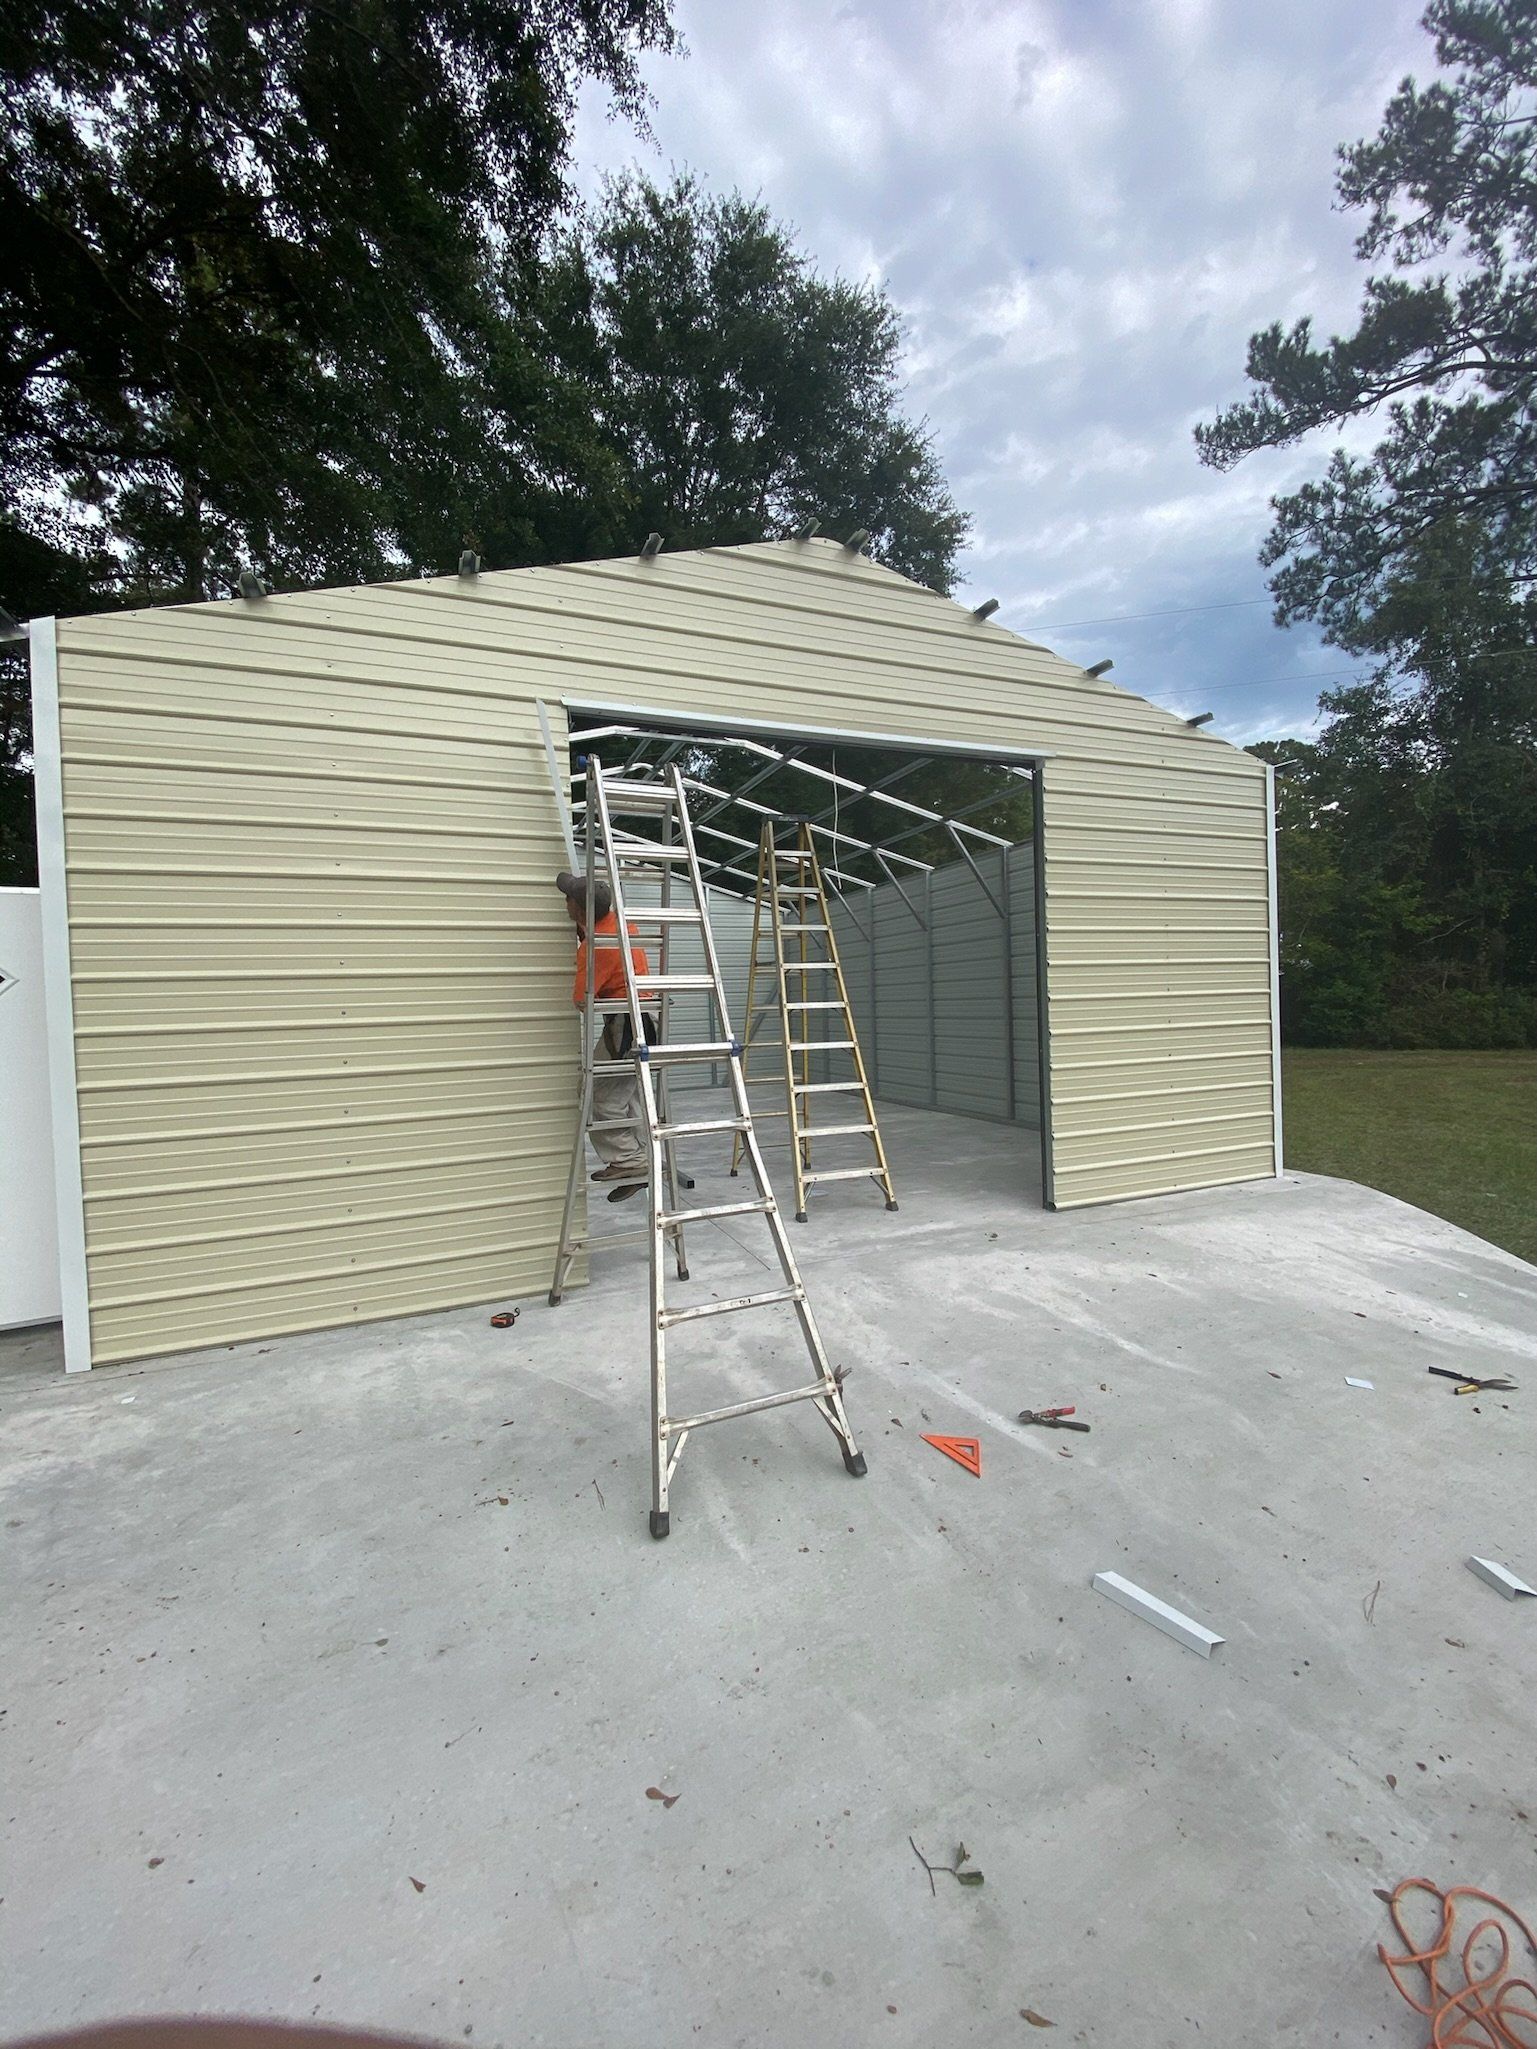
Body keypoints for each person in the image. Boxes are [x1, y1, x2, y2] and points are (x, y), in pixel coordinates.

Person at [556, 869, 655, 1202]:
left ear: (580, 910)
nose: (565, 902)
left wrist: (583, 958)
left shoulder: (596, 948)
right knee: (628, 1094)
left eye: (568, 899)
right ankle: (643, 1159)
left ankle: (630, 1160)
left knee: (598, 1094)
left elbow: (582, 1001)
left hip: (627, 1023)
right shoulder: (621, 925)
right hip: (643, 1015)